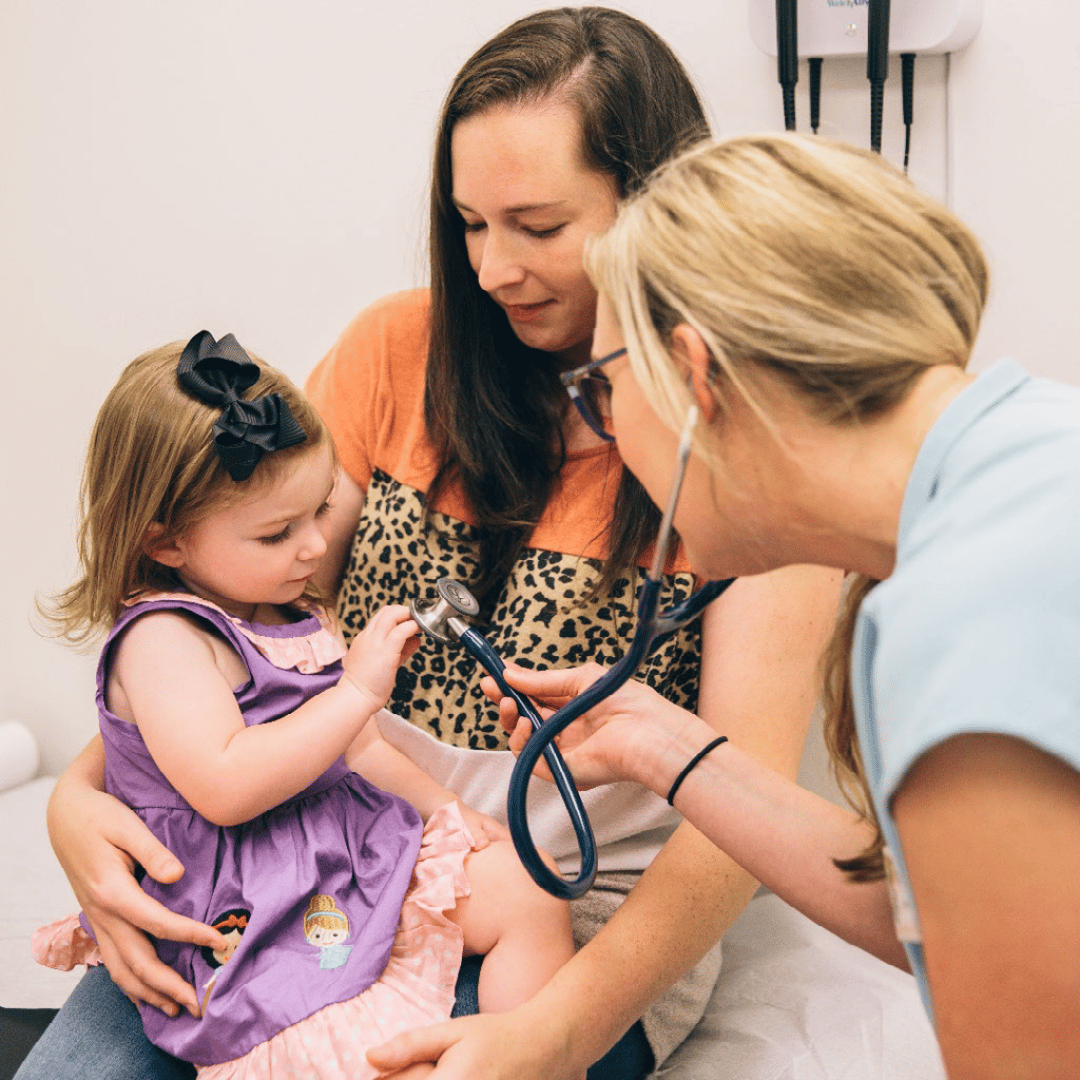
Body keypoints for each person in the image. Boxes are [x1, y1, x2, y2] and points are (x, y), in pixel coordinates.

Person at [23, 10, 842, 1080]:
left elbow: (743, 822)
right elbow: (234, 624)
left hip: (562, 910)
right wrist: (76, 804)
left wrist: (555, 1033)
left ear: (657, 211)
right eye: (469, 224)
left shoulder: (747, 451)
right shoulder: (390, 353)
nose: (495, 268)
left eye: (538, 226)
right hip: (302, 853)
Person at [454, 131, 1080, 1080]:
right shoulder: (1023, 458)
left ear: (694, 377)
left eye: (605, 391)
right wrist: (664, 751)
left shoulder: (959, 618)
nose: (609, 430)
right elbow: (940, 913)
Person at [33, 332, 576, 1079]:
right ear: (164, 542)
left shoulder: (283, 605)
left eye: (319, 511)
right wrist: (356, 691)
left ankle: (532, 1057)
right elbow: (224, 788)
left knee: (532, 885)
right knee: (382, 1060)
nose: (317, 546)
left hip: (342, 853)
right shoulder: (164, 638)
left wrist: (448, 813)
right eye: (277, 533)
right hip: (257, 913)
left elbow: (361, 752)